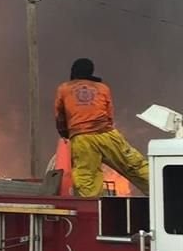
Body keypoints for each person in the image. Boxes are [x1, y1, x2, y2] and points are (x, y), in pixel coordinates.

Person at [54, 58, 149, 197]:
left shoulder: (64, 89)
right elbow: (110, 115)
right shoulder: (103, 88)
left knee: (87, 179)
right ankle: (166, 189)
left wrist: (66, 134)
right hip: (107, 134)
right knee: (134, 165)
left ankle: (91, 213)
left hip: (82, 139)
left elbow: (60, 117)